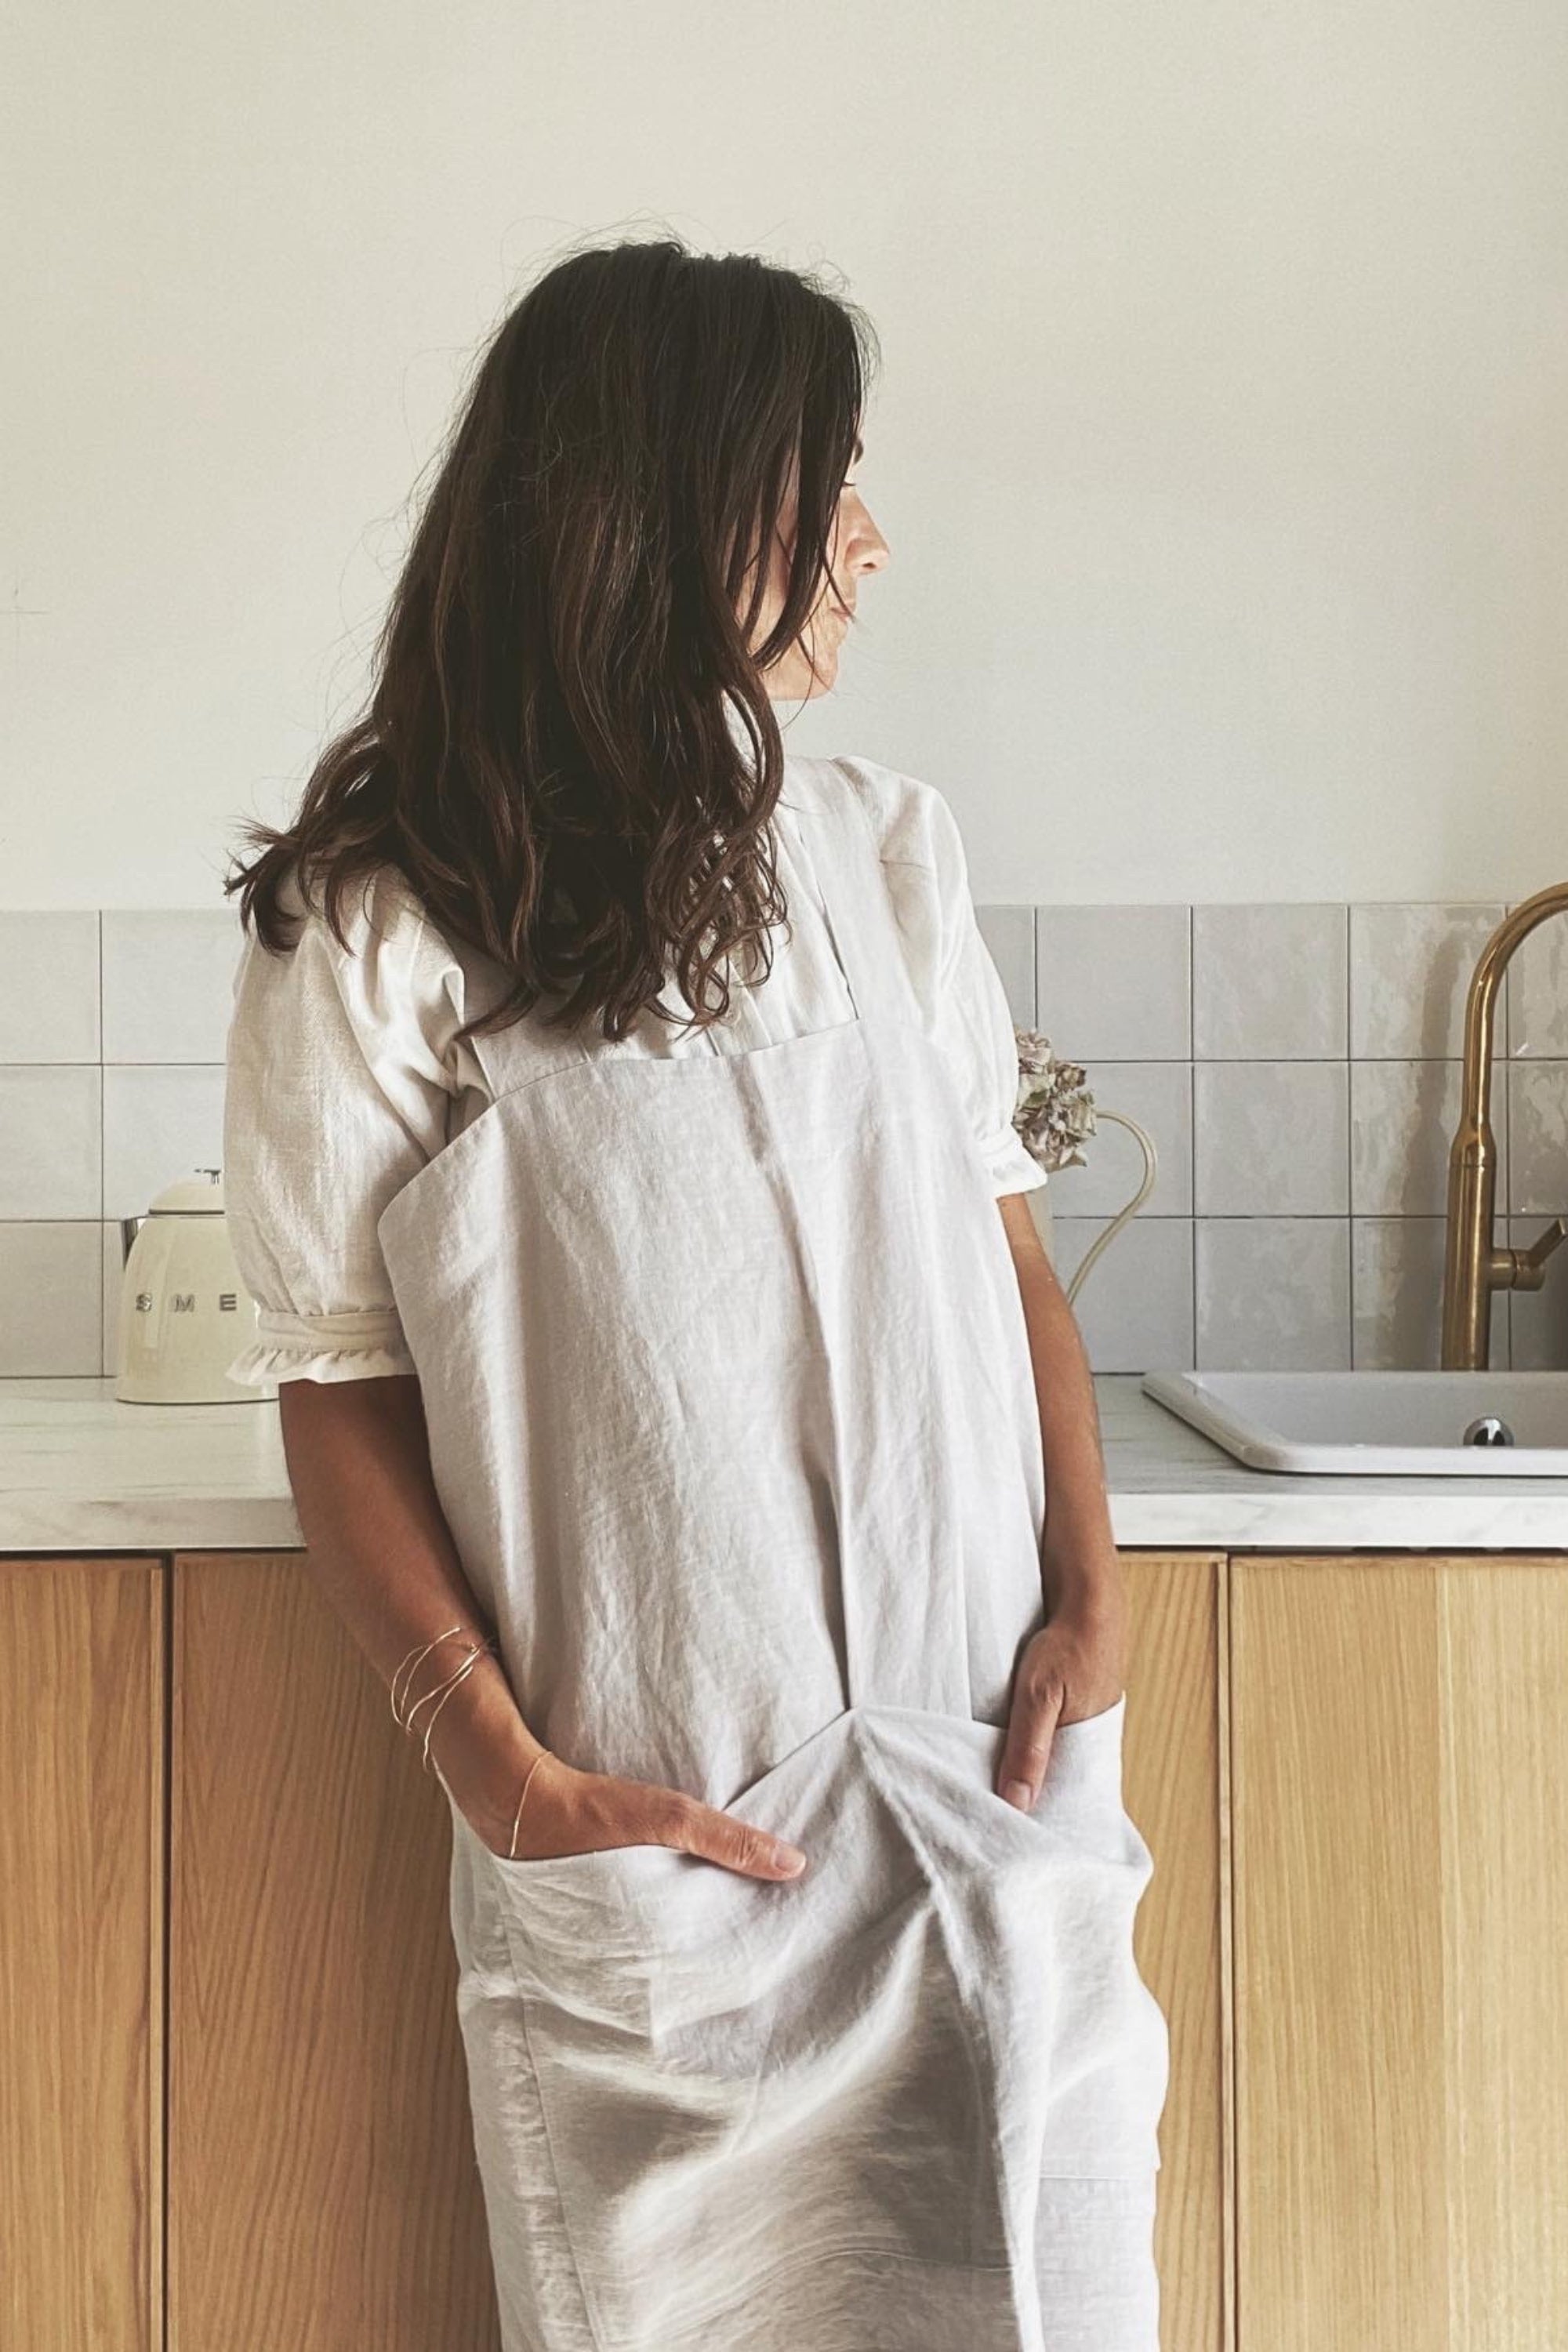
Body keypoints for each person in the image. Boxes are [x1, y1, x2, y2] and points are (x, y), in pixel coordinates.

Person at [220, 236, 1170, 2352]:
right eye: (822, 482)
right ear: (651, 506)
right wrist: (494, 1764)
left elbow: (1004, 1252)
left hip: (985, 1775)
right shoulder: (385, 921)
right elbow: (337, 1387)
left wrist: (1092, 1586)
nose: (870, 539)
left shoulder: (883, 851)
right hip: (666, 1840)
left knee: (1056, 2289)